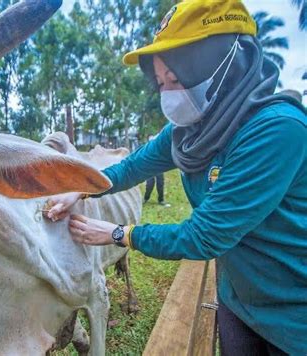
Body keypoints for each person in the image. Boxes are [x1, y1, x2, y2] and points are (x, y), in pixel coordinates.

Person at [45, 1, 307, 355]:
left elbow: (205, 236)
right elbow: (132, 167)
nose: (169, 93)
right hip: (238, 294)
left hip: (293, 314)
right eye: (161, 82)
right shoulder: (190, 130)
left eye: (178, 78)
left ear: (223, 68)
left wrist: (119, 234)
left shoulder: (275, 132)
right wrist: (81, 190)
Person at [144, 135, 170, 207]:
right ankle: (146, 198)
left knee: (160, 183)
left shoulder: (160, 148)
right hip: (149, 168)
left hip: (159, 167)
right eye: (151, 140)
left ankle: (161, 200)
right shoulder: (146, 148)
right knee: (150, 184)